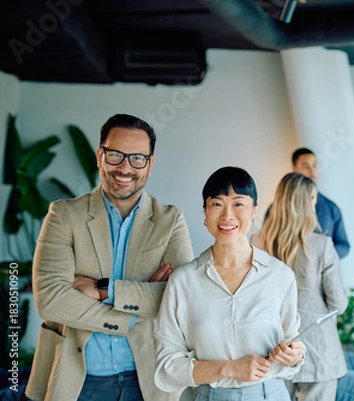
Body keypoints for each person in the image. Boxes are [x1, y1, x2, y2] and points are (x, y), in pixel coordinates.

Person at [25, 114, 194, 401]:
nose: (125, 168)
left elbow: (184, 299)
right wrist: (130, 317)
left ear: (150, 164)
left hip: (148, 379)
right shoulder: (63, 215)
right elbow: (51, 299)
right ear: (100, 155)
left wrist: (104, 290)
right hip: (78, 379)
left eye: (137, 158)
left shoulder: (170, 220)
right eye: (115, 155)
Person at [154, 166, 305, 401]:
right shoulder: (183, 281)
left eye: (238, 203)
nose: (227, 215)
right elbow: (167, 367)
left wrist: (294, 356)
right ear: (205, 211)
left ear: (254, 210)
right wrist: (230, 368)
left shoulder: (280, 276)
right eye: (216, 204)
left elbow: (293, 343)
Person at [251, 172, 348, 401]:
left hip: (272, 347)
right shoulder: (322, 246)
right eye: (313, 200)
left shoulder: (256, 243)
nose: (315, 205)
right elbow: (339, 304)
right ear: (306, 204)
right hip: (319, 351)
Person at [291, 147, 350, 259]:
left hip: (323, 274)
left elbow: (344, 245)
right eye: (305, 166)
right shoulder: (277, 209)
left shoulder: (331, 208)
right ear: (294, 169)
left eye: (314, 165)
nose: (312, 171)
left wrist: (322, 255)